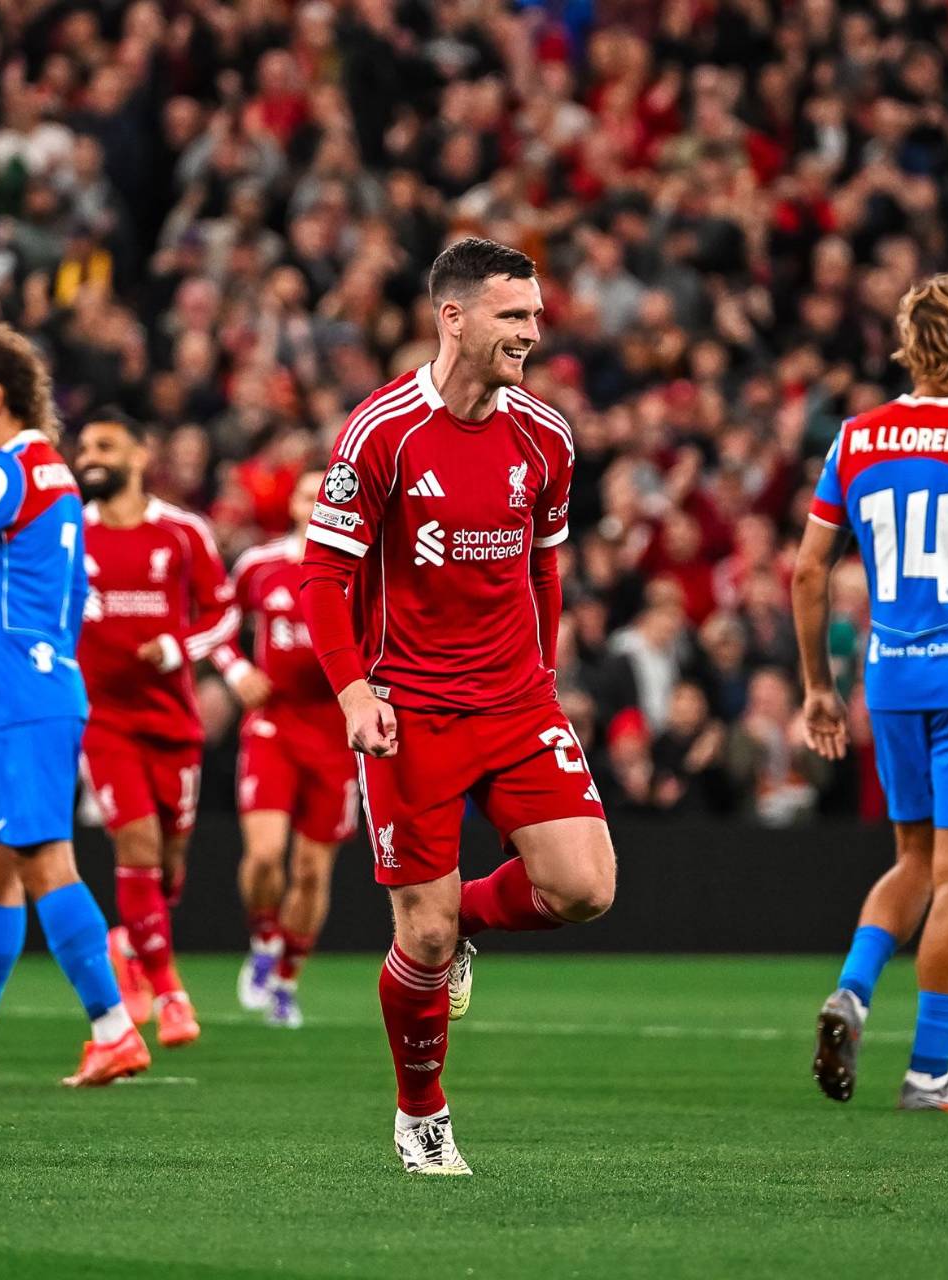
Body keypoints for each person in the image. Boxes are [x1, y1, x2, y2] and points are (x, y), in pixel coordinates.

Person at [301, 237, 616, 1174]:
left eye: (534, 313)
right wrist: (354, 691)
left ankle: (474, 920)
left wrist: (547, 681)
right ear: (454, 316)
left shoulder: (547, 438)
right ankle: (421, 1112)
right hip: (411, 714)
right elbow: (323, 575)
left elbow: (545, 567)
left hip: (518, 704)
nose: (532, 329)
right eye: (513, 315)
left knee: (586, 889)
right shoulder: (381, 433)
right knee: (421, 934)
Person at [794, 273, 948, 1111]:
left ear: (907, 346)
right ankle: (933, 1070)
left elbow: (809, 568)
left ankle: (854, 990)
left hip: (891, 673)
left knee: (915, 860)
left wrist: (819, 687)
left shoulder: (858, 438)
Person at [0, 326, 149, 1086]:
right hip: (42, 684)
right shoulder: (50, 471)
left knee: (44, 859)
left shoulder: (9, 469)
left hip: (19, 692)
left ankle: (114, 1025)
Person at [74, 409, 240, 1049]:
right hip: (104, 721)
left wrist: (179, 649)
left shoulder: (183, 532)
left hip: (172, 721)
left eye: (104, 445)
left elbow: (224, 615)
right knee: (137, 848)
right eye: (84, 446)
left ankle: (131, 944)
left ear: (140, 456)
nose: (90, 456)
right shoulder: (71, 534)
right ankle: (172, 998)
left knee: (169, 866)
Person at [212, 469, 359, 1028]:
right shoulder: (260, 565)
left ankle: (286, 981)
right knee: (266, 856)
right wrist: (236, 669)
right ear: (295, 507)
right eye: (307, 493)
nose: (317, 501)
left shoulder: (362, 570)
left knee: (313, 872)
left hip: (335, 731)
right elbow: (215, 623)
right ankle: (264, 939)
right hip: (273, 724)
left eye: (327, 493)